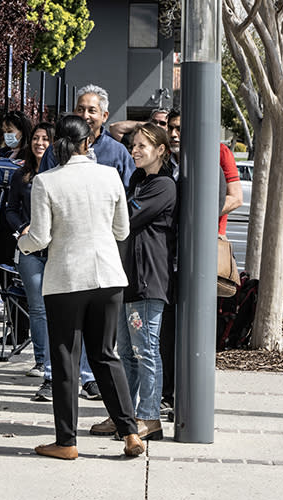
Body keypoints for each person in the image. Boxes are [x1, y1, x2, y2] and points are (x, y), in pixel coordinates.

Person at [18, 115, 144, 459]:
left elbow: (40, 237)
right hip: (108, 276)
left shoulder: (46, 181)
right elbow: (122, 231)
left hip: (67, 280)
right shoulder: (111, 175)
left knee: (65, 359)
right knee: (106, 355)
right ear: (89, 142)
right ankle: (130, 432)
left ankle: (67, 441)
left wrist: (21, 243)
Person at [90, 123, 176, 441]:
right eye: (133, 145)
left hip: (148, 280)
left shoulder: (163, 185)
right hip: (127, 279)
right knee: (124, 352)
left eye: (142, 146)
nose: (134, 151)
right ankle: (122, 417)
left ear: (161, 151)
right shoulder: (138, 180)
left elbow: (125, 217)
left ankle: (149, 418)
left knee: (146, 351)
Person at [158, 108, 241, 417]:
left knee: (196, 329)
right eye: (170, 128)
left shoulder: (214, 158)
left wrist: (197, 217)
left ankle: (190, 396)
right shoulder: (163, 162)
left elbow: (232, 198)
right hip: (167, 259)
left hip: (200, 256)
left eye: (180, 128)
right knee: (167, 331)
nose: (175, 134)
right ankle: (166, 394)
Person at [5, 121, 55, 400]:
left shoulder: (59, 174)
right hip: (29, 250)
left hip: (55, 249)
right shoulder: (21, 175)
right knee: (37, 307)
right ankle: (40, 360)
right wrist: (22, 227)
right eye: (36, 138)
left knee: (54, 306)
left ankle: (52, 362)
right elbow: (9, 210)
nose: (40, 143)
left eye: (46, 139)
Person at [0, 111, 32, 270]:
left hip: (21, 218)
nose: (7, 135)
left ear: (23, 131)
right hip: (0, 216)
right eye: (4, 132)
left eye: (10, 131)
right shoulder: (0, 155)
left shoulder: (30, 155)